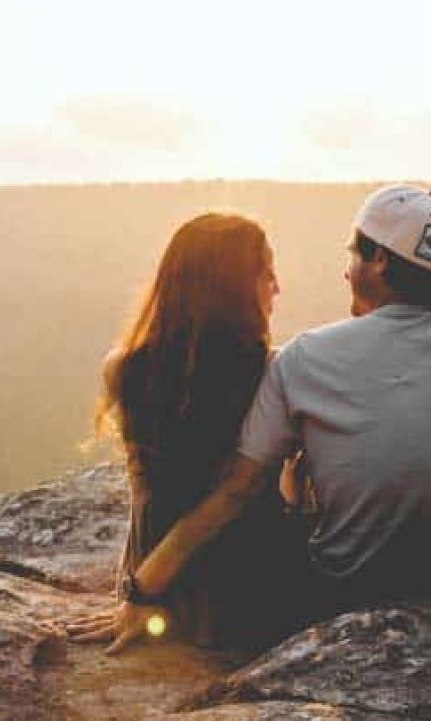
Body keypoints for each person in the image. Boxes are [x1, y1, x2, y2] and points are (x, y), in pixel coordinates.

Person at [72, 185, 431, 653]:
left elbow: (236, 490)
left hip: (346, 594)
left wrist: (142, 588)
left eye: (354, 253)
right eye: (267, 274)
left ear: (377, 260)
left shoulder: (304, 360)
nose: (344, 269)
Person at [67, 212, 303, 650]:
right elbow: (233, 497)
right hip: (251, 589)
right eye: (266, 273)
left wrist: (134, 588)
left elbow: (145, 495)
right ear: (234, 289)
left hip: (168, 592)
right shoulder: (274, 372)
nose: (277, 286)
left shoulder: (122, 369)